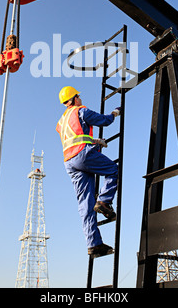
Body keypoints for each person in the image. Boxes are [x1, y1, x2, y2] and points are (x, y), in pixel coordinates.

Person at [56, 86, 121, 258]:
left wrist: (96, 142)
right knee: (114, 170)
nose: (81, 100)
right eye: (79, 96)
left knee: (85, 202)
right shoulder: (80, 111)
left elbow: (75, 137)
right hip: (82, 155)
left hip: (69, 162)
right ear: (75, 98)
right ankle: (105, 201)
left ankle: (94, 245)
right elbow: (105, 120)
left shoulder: (62, 121)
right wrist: (115, 112)